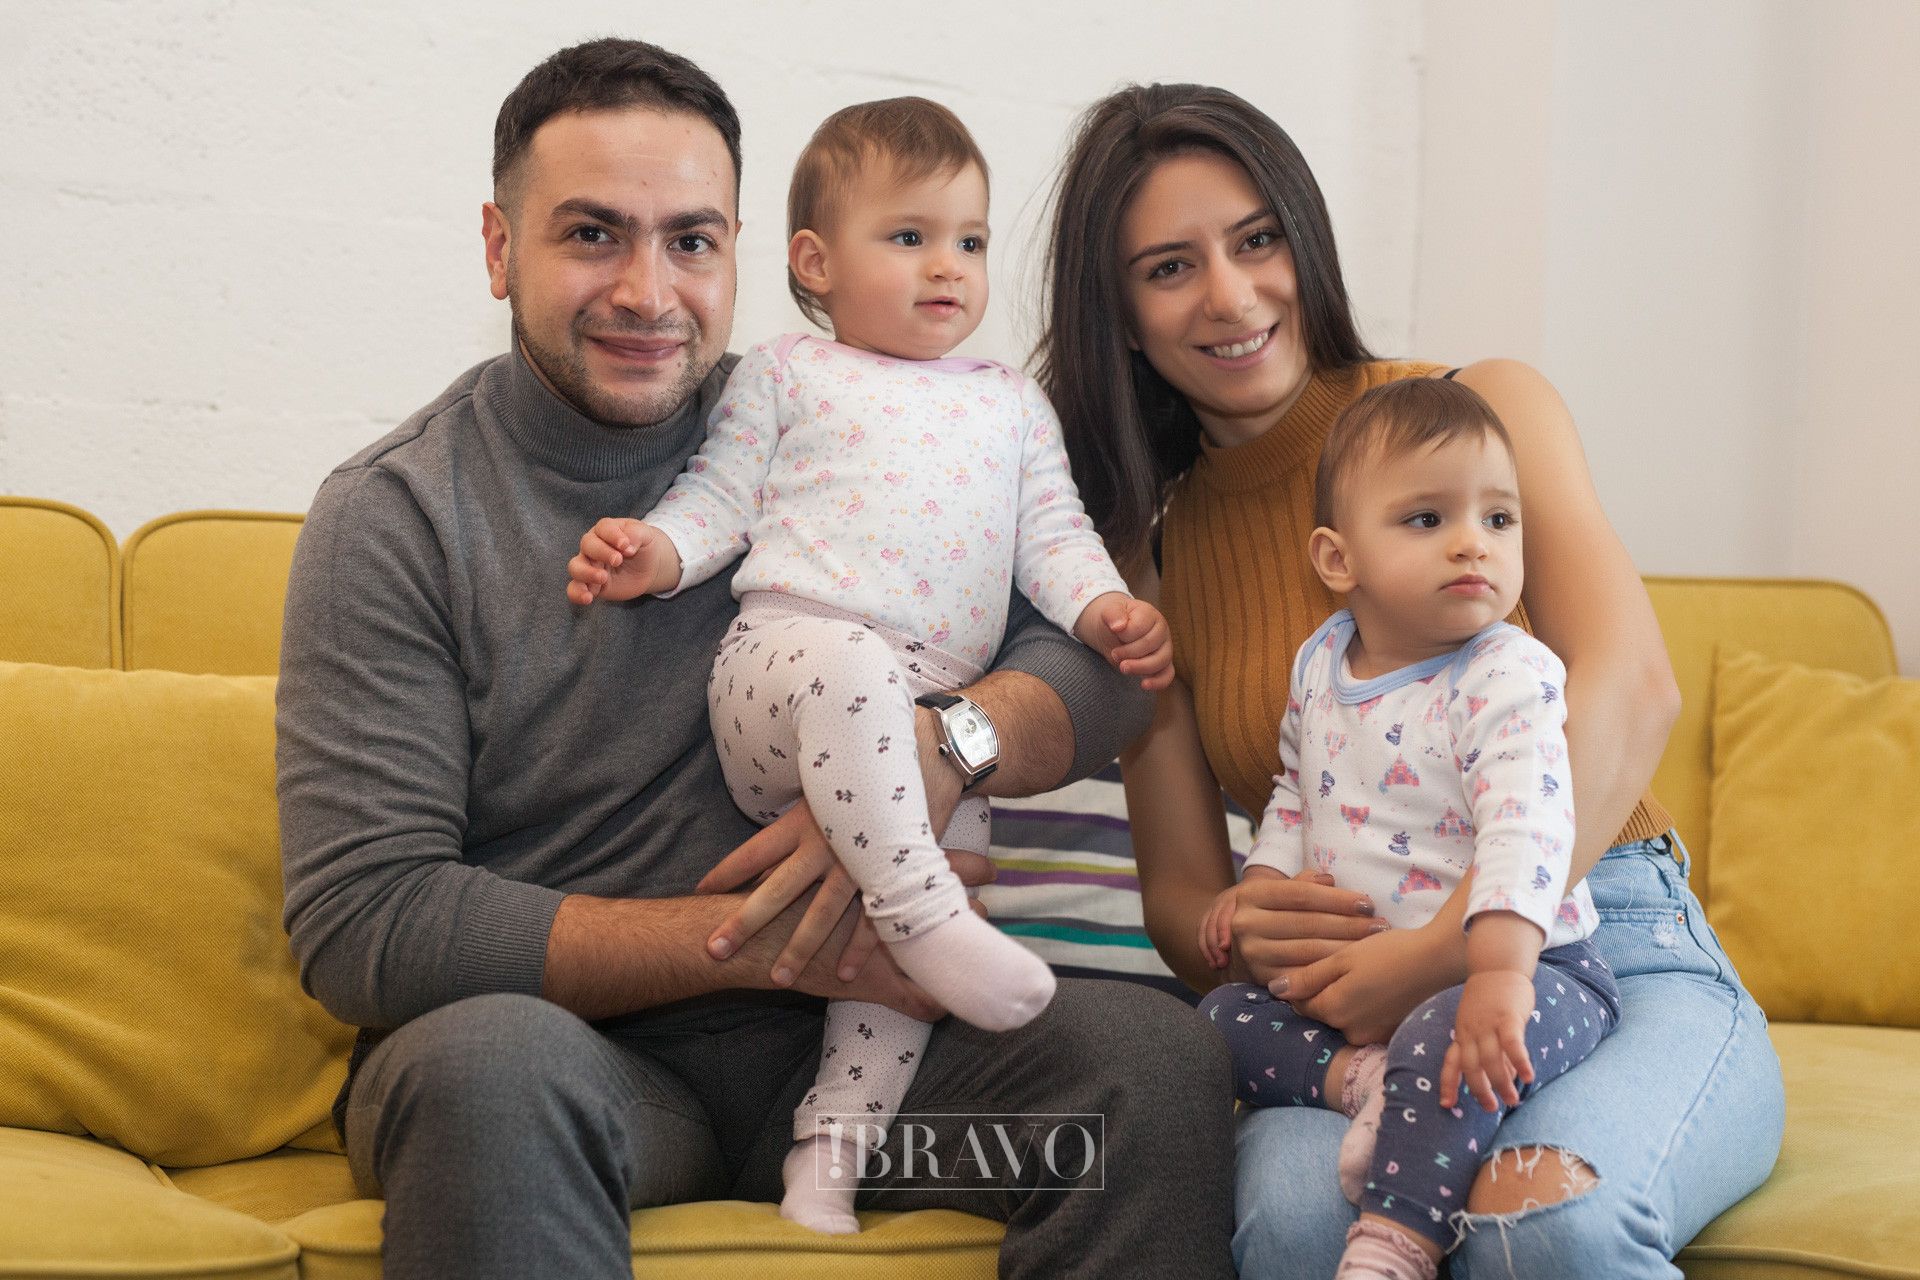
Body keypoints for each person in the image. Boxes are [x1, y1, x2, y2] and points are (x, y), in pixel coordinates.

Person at [276, 41, 1235, 1280]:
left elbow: (1096, 672)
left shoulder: (845, 418)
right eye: (591, 235)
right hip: (592, 1077)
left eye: (690, 240)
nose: (647, 291)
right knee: (484, 1073)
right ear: (500, 248)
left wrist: (948, 746)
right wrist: (772, 939)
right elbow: (368, 920)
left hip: (877, 1086)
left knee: (1148, 1068)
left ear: (742, 251)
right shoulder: (398, 515)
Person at [1035, 82, 1783, 1279]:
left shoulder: (1485, 409)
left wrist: (1444, 947)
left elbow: (1636, 687)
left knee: (1546, 1223)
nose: (1231, 294)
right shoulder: (1147, 561)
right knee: (1295, 1227)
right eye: (1170, 268)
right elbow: (1183, 899)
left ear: (1305, 240)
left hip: (1597, 943)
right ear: (1120, 316)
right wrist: (1245, 925)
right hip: (1352, 1015)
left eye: (1257, 239)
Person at [563, 96, 1173, 1235]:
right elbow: (717, 498)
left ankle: (830, 1154)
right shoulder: (787, 372)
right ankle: (920, 907)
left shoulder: (1012, 404)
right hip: (785, 674)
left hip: (931, 725)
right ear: (816, 262)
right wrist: (656, 553)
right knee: (855, 679)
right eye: (909, 236)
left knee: (892, 988)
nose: (948, 266)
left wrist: (1105, 609)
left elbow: (1055, 534)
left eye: (970, 240)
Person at [1195, 377, 1621, 1280]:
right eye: (1427, 520)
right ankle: (1369, 1086)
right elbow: (1294, 795)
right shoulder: (1321, 663)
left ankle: (1396, 1244)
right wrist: (1259, 888)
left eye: (1499, 519)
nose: (1473, 542)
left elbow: (1528, 830)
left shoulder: (1507, 675)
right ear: (1337, 559)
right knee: (1217, 1022)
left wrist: (1497, 972)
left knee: (1443, 1038)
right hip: (1370, 999)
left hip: (1536, 969)